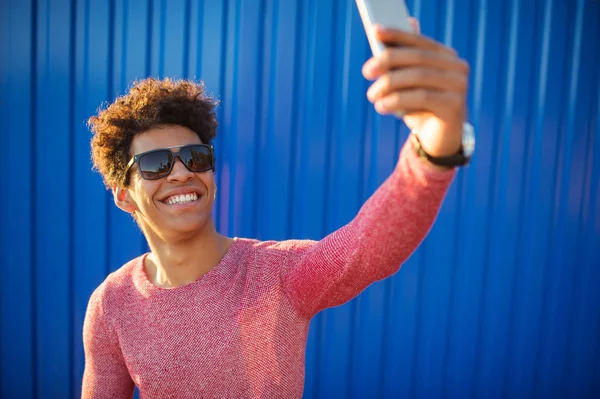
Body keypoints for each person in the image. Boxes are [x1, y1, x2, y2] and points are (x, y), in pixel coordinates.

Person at [81, 18, 473, 398]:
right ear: (124, 195)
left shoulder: (276, 275)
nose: (182, 173)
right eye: (155, 164)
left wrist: (434, 150)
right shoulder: (112, 304)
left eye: (196, 157)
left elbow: (367, 249)